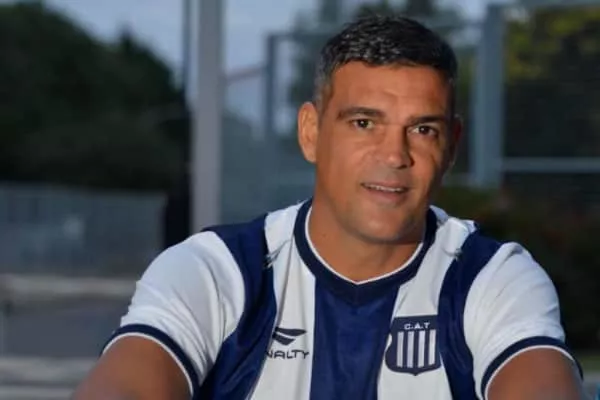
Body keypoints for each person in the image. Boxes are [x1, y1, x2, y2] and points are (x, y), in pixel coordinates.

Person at [73, 15, 586, 400]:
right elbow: (125, 386)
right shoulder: (216, 269)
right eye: (364, 123)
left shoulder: (492, 278)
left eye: (422, 129)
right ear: (311, 132)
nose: (394, 155)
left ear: (451, 145)